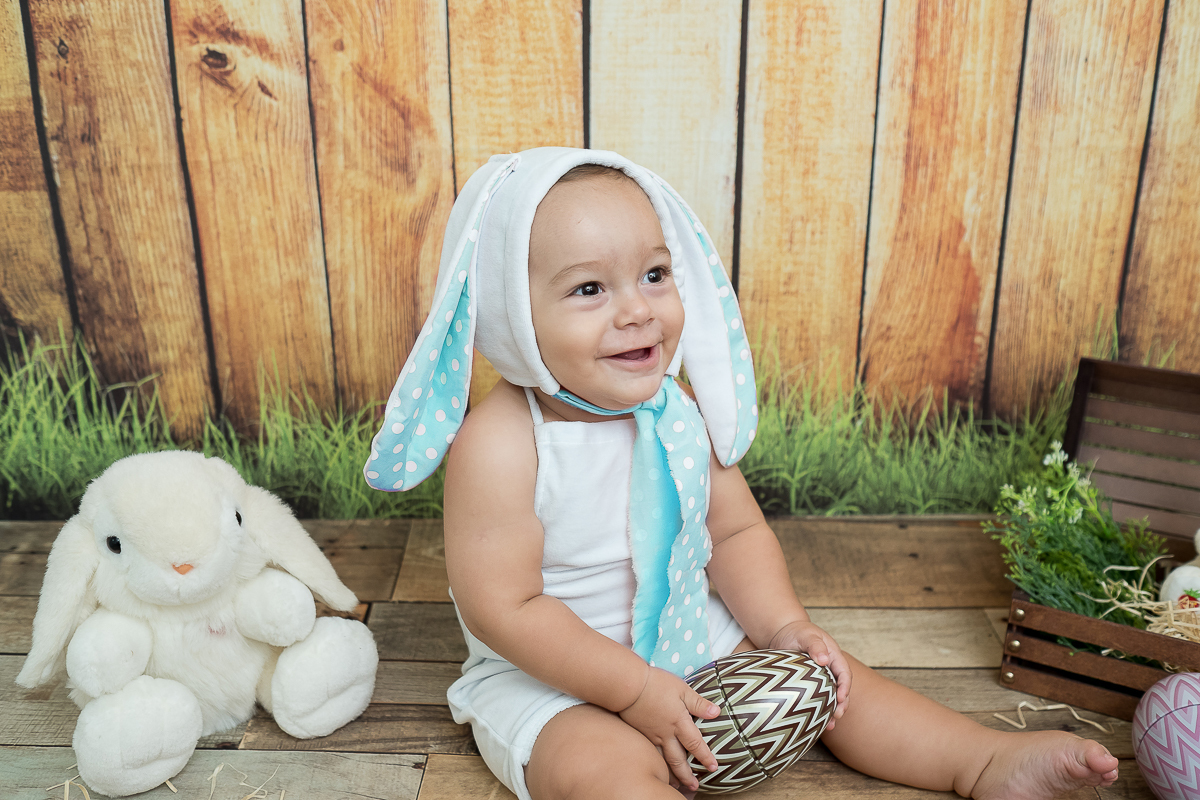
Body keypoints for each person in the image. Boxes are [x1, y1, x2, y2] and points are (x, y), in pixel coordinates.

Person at [364, 148, 1120, 800]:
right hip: (551, 679)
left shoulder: (674, 409)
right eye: (590, 289)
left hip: (691, 638)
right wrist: (634, 692)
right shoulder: (500, 443)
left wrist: (783, 627)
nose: (637, 311)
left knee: (832, 681)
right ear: (510, 314)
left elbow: (732, 528)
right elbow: (508, 608)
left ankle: (980, 759)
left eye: (654, 274)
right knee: (607, 770)